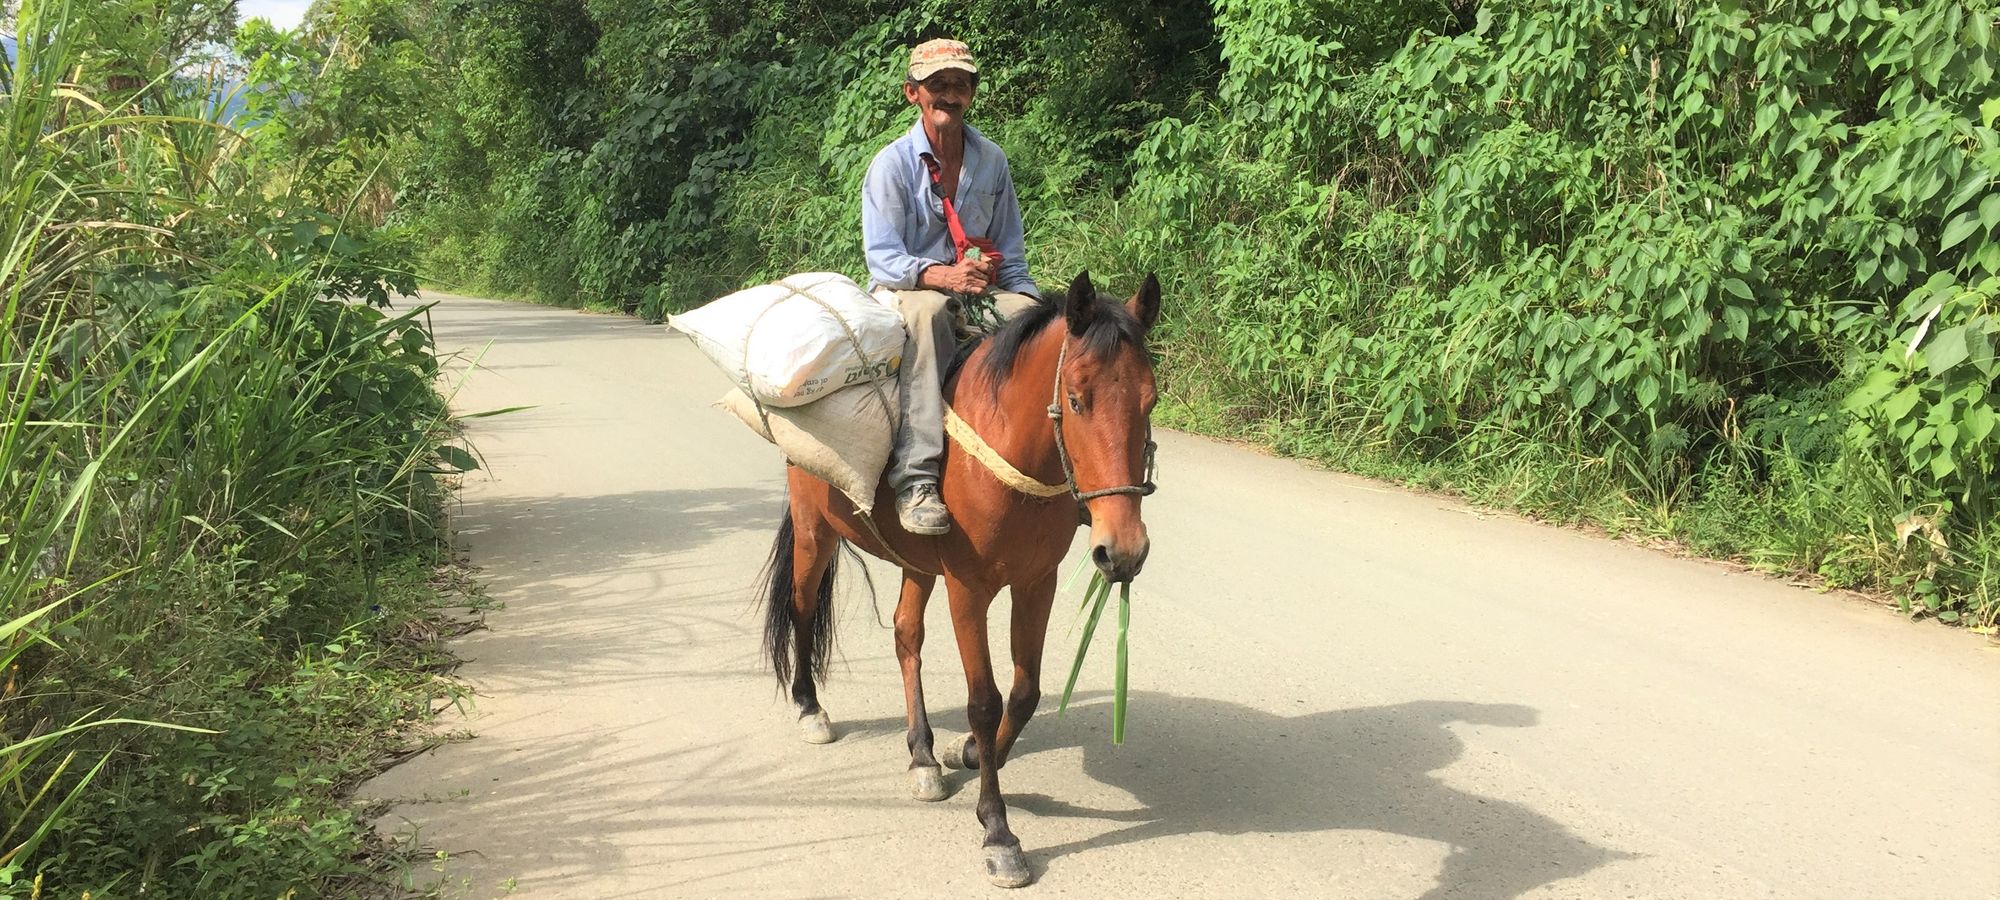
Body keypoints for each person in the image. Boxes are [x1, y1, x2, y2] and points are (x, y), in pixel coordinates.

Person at [861, 37, 1040, 536]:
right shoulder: (891, 164)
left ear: (972, 95)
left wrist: (1029, 302)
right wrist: (942, 276)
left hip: (976, 289)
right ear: (912, 93)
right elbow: (883, 257)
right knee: (931, 315)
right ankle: (916, 479)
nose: (948, 94)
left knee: (1044, 327)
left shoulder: (992, 160)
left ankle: (1052, 471)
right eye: (936, 84)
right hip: (910, 290)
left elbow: (1011, 247)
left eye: (959, 85)